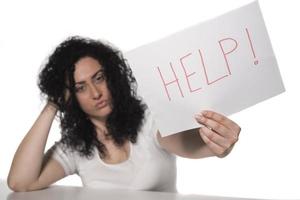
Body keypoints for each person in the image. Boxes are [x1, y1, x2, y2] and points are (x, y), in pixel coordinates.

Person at [7, 36, 241, 192]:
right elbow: (20, 182)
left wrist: (217, 144)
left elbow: (186, 143)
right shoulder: (75, 148)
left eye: (99, 78)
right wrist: (53, 104)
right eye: (80, 87)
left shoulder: (149, 121)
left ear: (112, 76)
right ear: (70, 97)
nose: (96, 92)